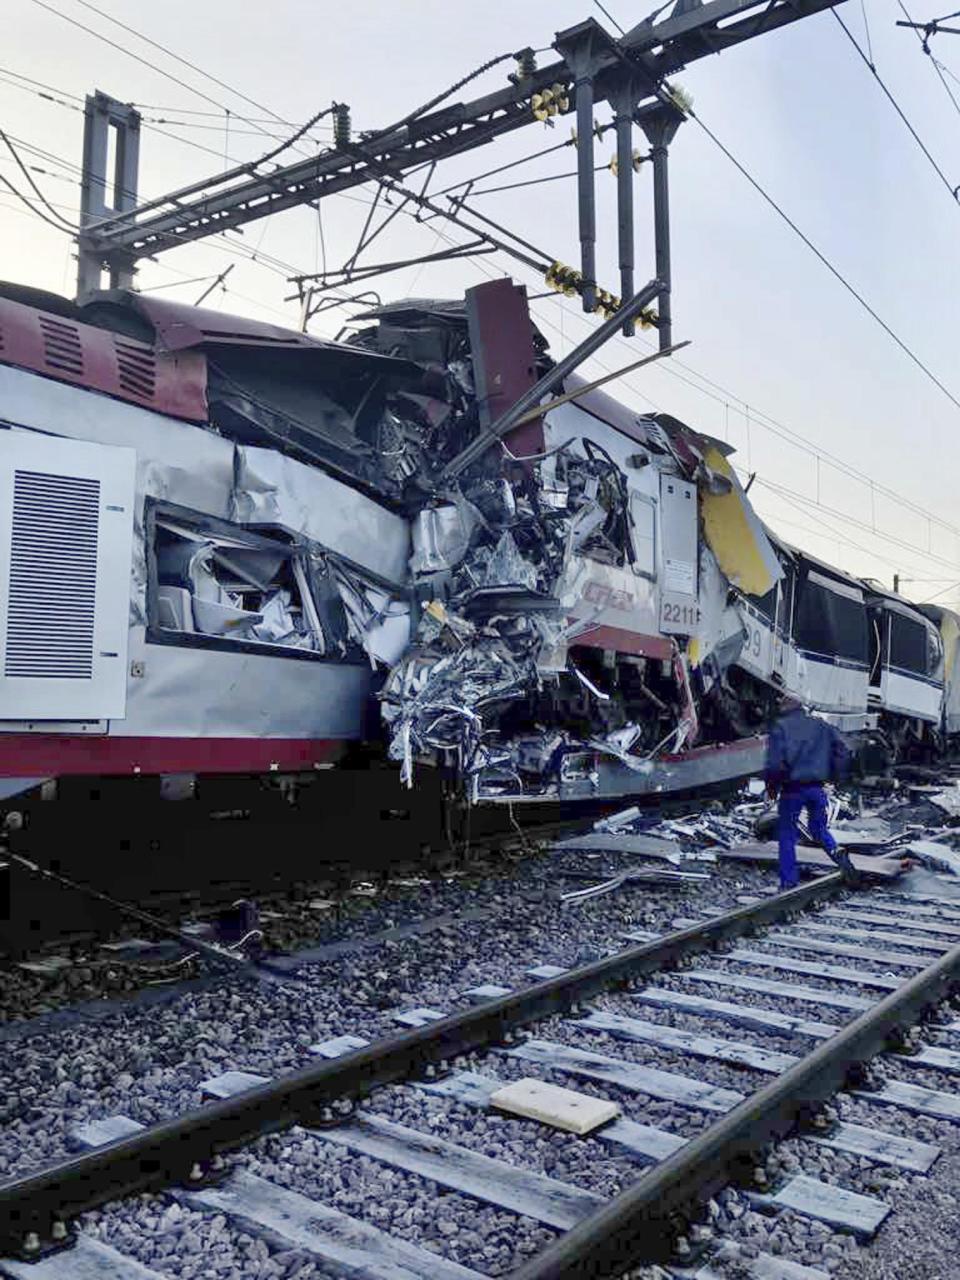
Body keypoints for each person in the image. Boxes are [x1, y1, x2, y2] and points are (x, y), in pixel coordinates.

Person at [764, 694, 855, 890]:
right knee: (819, 830)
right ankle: (836, 851)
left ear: (786, 708)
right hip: (816, 788)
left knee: (787, 834)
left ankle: (789, 881)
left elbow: (774, 764)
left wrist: (772, 787)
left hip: (792, 790)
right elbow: (843, 751)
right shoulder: (821, 726)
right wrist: (834, 776)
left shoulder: (781, 727)